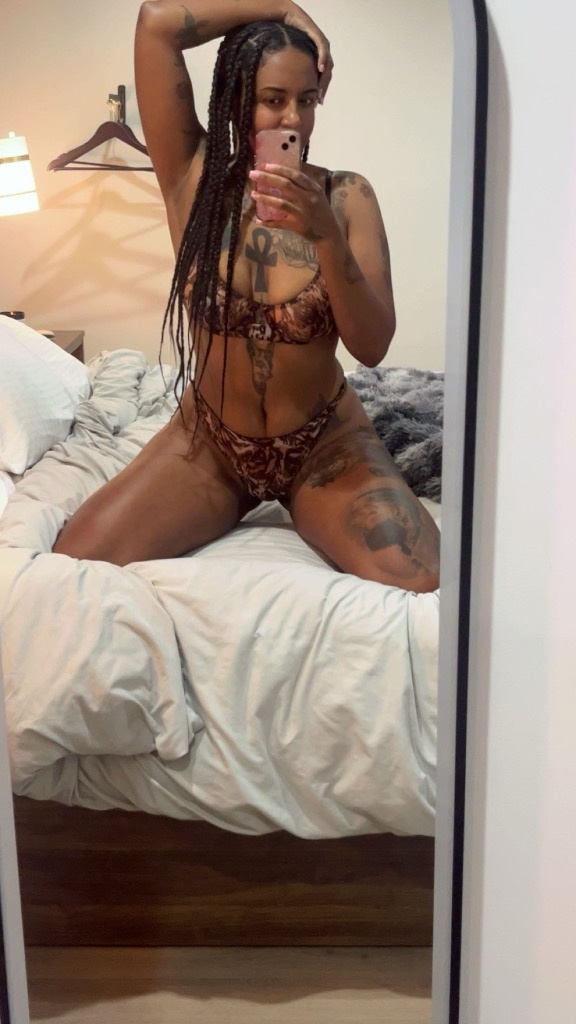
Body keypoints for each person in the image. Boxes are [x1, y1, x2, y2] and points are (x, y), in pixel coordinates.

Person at [53, 0, 440, 593]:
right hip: (211, 444)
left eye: (306, 100)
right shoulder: (193, 178)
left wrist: (324, 235)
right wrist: (284, 7)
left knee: (421, 578)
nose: (292, 119)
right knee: (76, 559)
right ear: (237, 99)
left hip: (323, 445)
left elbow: (372, 347)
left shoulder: (347, 198)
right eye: (272, 99)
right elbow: (157, 23)